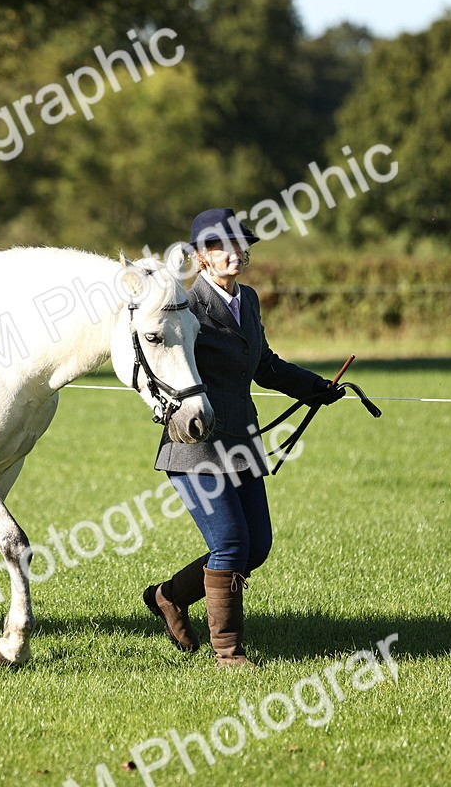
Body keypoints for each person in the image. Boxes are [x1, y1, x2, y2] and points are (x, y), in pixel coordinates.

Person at [142, 208, 345, 667]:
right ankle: (228, 652)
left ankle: (168, 597)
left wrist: (315, 387)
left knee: (256, 548)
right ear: (200, 256)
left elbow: (265, 365)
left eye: (238, 244)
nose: (232, 253)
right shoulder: (185, 306)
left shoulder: (248, 300)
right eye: (219, 247)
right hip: (194, 446)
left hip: (243, 444)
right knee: (231, 544)